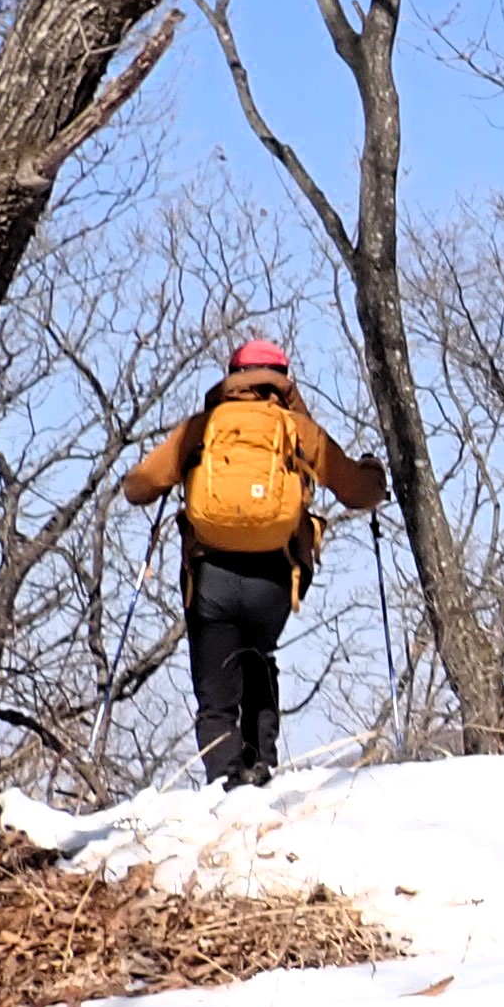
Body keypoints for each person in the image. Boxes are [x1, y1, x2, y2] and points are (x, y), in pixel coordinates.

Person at [119, 338, 388, 789]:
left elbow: (138, 487)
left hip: (210, 577)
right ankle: (261, 768)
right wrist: (374, 473)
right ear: (284, 382)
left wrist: (174, 472)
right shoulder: (297, 429)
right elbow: (358, 492)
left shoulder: (203, 428)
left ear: (232, 377)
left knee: (216, 697)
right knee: (258, 658)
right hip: (274, 580)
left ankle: (225, 785)